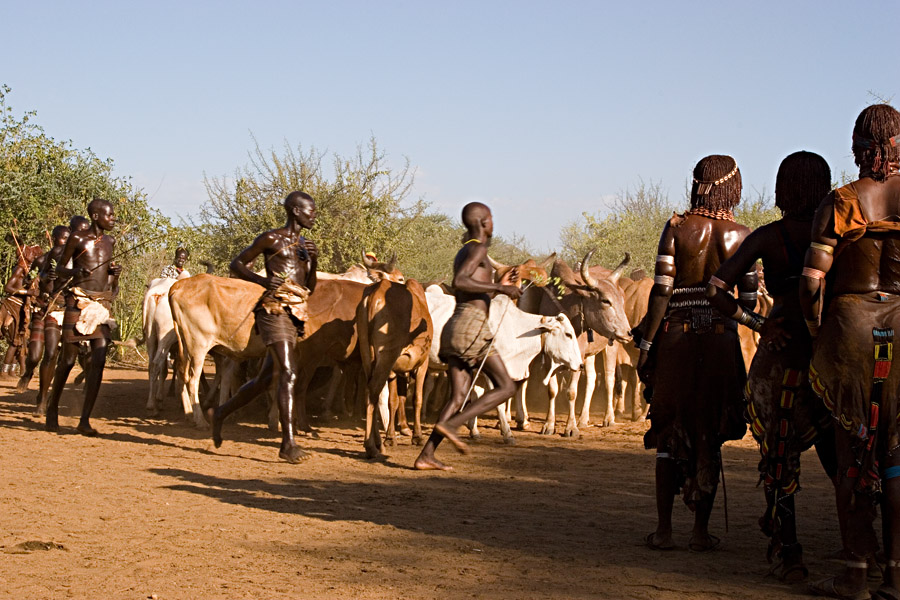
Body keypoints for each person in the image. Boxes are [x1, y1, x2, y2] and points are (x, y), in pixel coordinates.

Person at [707, 151, 836, 580]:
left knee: (779, 452)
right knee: (842, 452)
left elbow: (715, 288)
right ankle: (865, 548)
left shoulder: (768, 236)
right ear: (823, 188)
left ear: (782, 190)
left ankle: (790, 552)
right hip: (828, 354)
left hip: (780, 359)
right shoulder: (840, 234)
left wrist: (759, 324)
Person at [801, 104, 900, 600]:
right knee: (897, 453)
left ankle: (856, 573)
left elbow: (810, 281)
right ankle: (897, 574)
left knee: (854, 452)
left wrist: (818, 331)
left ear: (859, 145)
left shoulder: (840, 201)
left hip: (851, 330)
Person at [637, 155, 751, 552]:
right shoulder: (742, 234)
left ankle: (664, 530)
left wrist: (647, 345)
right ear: (731, 187)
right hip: (722, 340)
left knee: (669, 433)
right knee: (710, 433)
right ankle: (700, 533)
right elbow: (748, 301)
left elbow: (662, 291)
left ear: (698, 184)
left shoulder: (676, 229)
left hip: (675, 340)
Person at [210, 191, 318, 464]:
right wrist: (261, 281)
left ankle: (220, 413)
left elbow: (310, 288)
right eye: (310, 210)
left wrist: (313, 261)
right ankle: (288, 444)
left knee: (263, 380)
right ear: (295, 211)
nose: (313, 215)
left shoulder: (305, 245)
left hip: (295, 313)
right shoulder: (271, 238)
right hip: (273, 311)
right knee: (289, 373)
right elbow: (237, 263)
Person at [414, 202, 521, 471]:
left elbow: (469, 290)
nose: (494, 223)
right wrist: (500, 287)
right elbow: (461, 282)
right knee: (506, 387)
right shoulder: (478, 248)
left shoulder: (465, 250)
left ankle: (426, 455)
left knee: (458, 395)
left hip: (456, 324)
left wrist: (501, 288)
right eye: (492, 218)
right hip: (472, 327)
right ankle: (453, 425)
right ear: (484, 221)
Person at [44, 200, 121, 436]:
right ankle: (52, 409)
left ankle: (84, 420)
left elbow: (109, 281)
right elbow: (59, 269)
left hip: (100, 305)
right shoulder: (77, 239)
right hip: (77, 301)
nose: (112, 219)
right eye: (109, 216)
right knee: (67, 360)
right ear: (96, 215)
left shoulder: (111, 241)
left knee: (99, 360)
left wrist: (114, 275)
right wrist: (76, 271)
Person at [16, 224, 70, 398]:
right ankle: (28, 372)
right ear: (54, 239)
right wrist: (44, 277)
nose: (67, 242)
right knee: (34, 356)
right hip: (42, 309)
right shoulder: (42, 261)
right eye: (64, 238)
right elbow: (26, 281)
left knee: (52, 353)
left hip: (59, 311)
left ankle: (43, 396)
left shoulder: (71, 262)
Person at [1, 236, 43, 378]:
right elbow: (7, 287)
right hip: (12, 305)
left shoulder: (31, 272)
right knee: (15, 341)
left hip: (22, 308)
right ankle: (4, 371)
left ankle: (13, 370)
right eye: (34, 255)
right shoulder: (19, 269)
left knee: (19, 341)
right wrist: (27, 291)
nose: (36, 256)